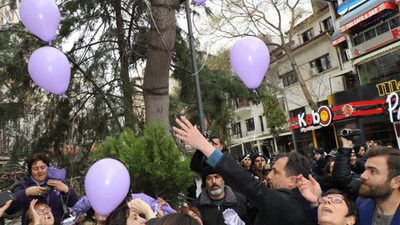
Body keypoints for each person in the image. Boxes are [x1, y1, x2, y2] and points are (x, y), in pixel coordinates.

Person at [173, 116, 315, 225]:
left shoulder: (285, 204)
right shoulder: (309, 204)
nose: (269, 176)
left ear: (292, 181)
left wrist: (204, 146)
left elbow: (245, 181)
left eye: (276, 172)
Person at [6, 153, 79, 225]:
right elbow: (10, 209)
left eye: (43, 167)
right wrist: (26, 193)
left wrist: (67, 190)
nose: (40, 171)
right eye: (35, 169)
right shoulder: (24, 185)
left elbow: (75, 205)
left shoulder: (57, 181)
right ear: (30, 171)